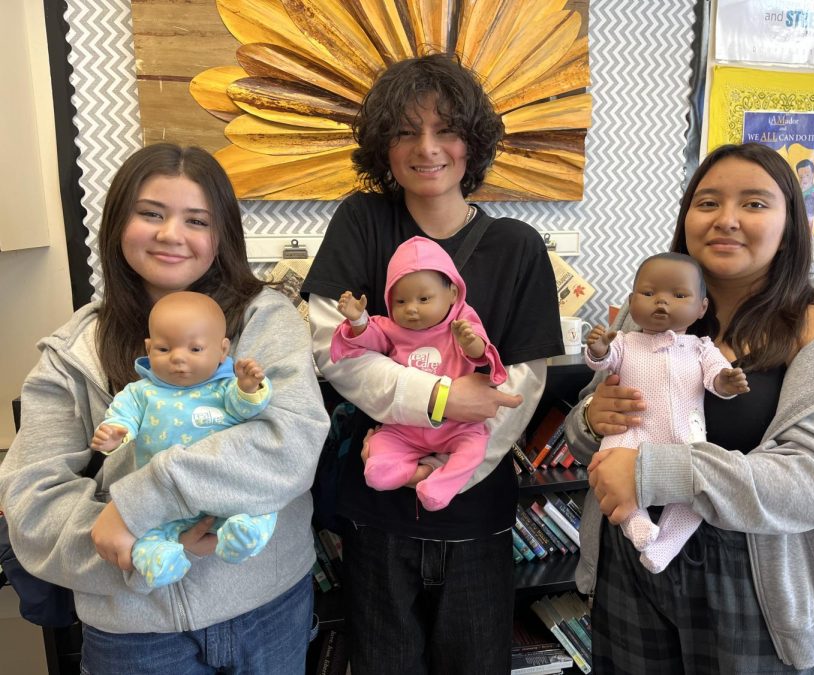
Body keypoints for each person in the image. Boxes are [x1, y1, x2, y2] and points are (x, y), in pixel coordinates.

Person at [0, 144, 330, 674]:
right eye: (151, 213)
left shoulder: (266, 321)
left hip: (267, 606)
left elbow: (289, 442)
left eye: (195, 220)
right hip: (135, 630)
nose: (171, 234)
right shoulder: (72, 353)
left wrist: (138, 503)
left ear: (220, 236)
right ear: (117, 223)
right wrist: (134, 548)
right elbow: (32, 502)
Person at [564, 142, 814, 673]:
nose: (727, 220)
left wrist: (653, 471)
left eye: (755, 204)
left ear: (790, 224)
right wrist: (591, 419)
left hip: (757, 576)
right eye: (708, 202)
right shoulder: (654, 306)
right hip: (634, 560)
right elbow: (588, 430)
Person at [303, 53, 563, 674]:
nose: (427, 148)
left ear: (473, 144)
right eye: (404, 131)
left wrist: (448, 468)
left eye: (445, 129)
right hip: (377, 515)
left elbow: (524, 383)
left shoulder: (517, 246)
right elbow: (330, 348)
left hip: (478, 513)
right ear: (382, 146)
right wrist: (443, 403)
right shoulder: (361, 221)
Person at [91, 291, 277, 588]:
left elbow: (248, 409)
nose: (178, 358)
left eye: (195, 348)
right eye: (164, 349)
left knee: (264, 507)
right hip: (162, 502)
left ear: (222, 350)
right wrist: (116, 433)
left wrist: (249, 386)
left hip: (226, 491)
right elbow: (122, 417)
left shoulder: (223, 389)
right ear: (148, 348)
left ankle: (242, 535)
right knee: (147, 532)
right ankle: (159, 560)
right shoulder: (141, 393)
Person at [583, 252, 748, 573]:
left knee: (697, 497)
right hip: (631, 434)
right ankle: (637, 525)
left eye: (678, 295)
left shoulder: (701, 347)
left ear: (701, 307)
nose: (661, 302)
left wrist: (727, 381)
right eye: (649, 294)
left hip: (686, 440)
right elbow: (601, 362)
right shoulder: (627, 341)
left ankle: (665, 547)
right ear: (631, 302)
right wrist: (599, 347)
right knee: (612, 478)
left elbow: (716, 377)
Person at [332, 236, 507, 512]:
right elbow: (370, 338)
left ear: (452, 293)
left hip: (456, 425)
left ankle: (438, 487)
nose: (411, 308)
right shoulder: (392, 328)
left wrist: (468, 341)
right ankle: (418, 474)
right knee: (376, 470)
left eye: (424, 298)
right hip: (404, 427)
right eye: (400, 301)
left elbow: (479, 353)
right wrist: (358, 319)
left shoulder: (461, 321)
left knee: (475, 446)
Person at [796, 158, 814, 226]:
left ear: (813, 174)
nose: (804, 179)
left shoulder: (812, 195)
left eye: (807, 175)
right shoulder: (799, 191)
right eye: (801, 176)